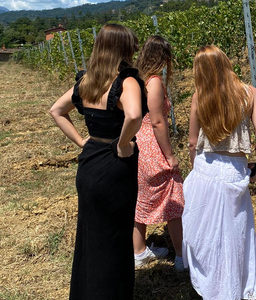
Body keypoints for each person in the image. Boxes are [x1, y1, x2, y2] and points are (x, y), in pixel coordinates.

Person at [49, 23, 146, 299]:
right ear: (122, 48)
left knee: (90, 238)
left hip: (89, 164)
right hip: (115, 167)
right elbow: (134, 115)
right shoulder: (125, 82)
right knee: (115, 239)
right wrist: (124, 142)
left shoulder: (87, 81)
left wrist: (82, 141)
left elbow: (56, 110)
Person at [182, 45, 256, 299]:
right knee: (235, 232)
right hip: (235, 170)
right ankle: (235, 284)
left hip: (206, 167)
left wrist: (193, 164)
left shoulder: (200, 96)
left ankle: (211, 284)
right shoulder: (249, 93)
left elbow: (191, 142)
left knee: (205, 232)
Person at [132, 35, 185, 271]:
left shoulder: (137, 79)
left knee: (140, 199)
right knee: (173, 200)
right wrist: (170, 155)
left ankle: (139, 251)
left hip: (138, 144)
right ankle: (182, 257)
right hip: (152, 146)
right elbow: (157, 122)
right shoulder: (153, 82)